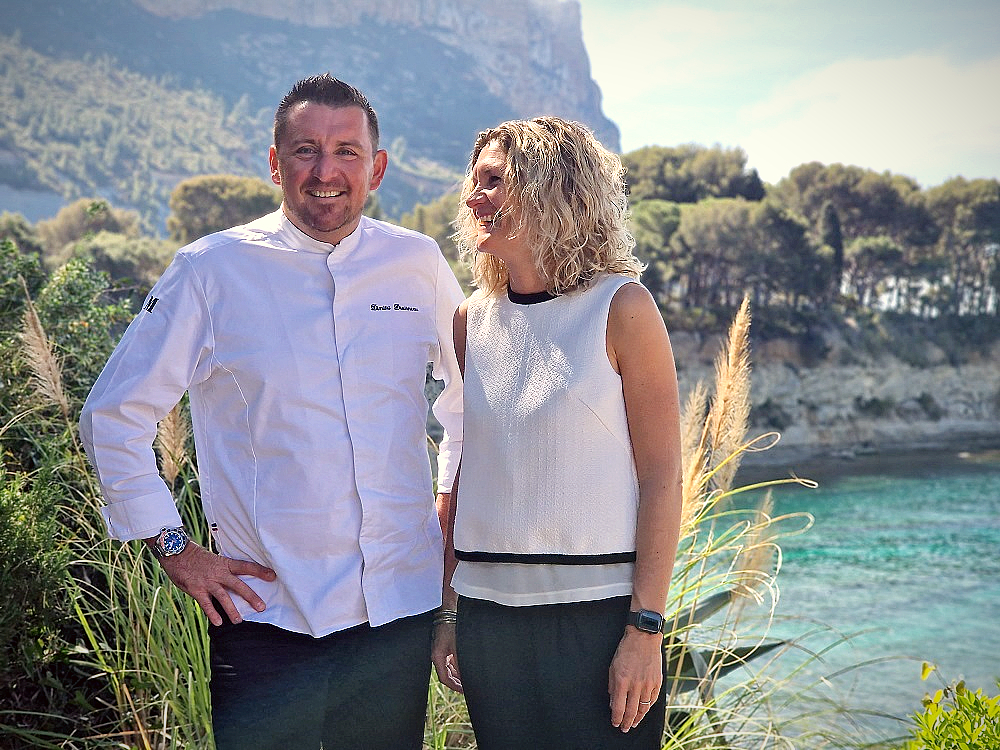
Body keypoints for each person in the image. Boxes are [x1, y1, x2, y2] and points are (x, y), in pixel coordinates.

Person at [79, 74, 465, 750]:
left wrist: (445, 506)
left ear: (375, 167)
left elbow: (467, 404)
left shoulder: (418, 262)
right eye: (305, 149)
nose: (326, 171)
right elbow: (111, 417)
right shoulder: (210, 269)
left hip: (395, 613)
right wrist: (173, 547)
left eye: (347, 151)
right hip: (263, 613)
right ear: (274, 161)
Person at [431, 116, 683, 749]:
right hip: (489, 622)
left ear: (548, 189)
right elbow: (464, 466)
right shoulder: (470, 323)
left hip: (598, 623)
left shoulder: (623, 307)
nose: (472, 195)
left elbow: (662, 479)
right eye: (474, 179)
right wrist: (449, 611)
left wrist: (646, 630)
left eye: (493, 181)